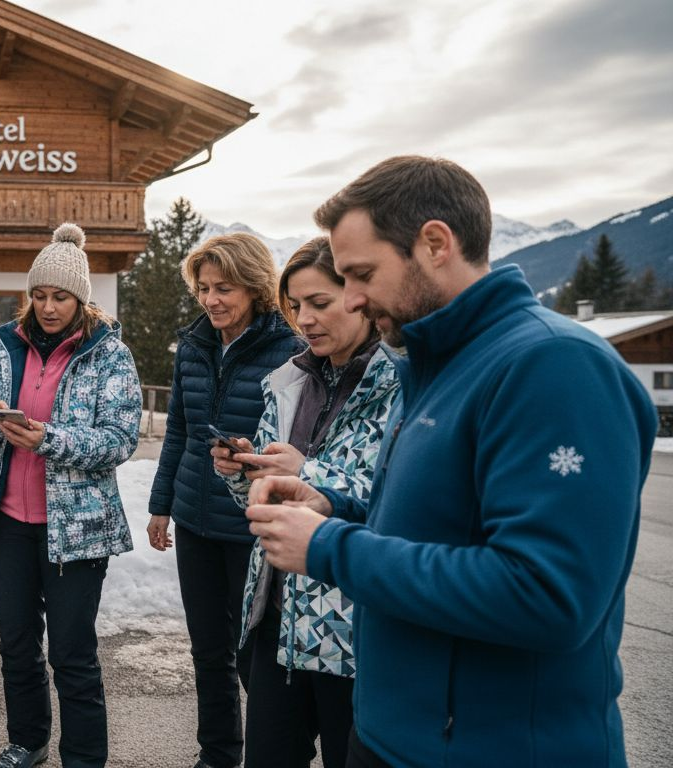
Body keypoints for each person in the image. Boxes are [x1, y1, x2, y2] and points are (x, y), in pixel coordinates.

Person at [244, 156, 658, 768]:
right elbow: (443, 522)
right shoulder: (431, 367)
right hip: (393, 736)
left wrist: (331, 546)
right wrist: (338, 505)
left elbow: (549, 595)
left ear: (435, 244)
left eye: (362, 274)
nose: (353, 300)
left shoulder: (555, 367)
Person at [214, 237, 399, 768]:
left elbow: (399, 499)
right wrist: (246, 471)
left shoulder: (401, 387)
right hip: (277, 619)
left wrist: (305, 471)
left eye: (320, 302)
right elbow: (270, 495)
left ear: (360, 296)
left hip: (353, 631)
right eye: (295, 306)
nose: (305, 319)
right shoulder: (288, 381)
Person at [0, 223, 141, 768]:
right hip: (11, 523)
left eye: (59, 296)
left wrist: (50, 439)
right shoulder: (6, 347)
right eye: (38, 295)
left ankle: (84, 758)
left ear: (81, 299)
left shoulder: (109, 355)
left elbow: (120, 439)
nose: (46, 306)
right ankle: (28, 739)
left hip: (78, 530)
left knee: (72, 655)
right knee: (16, 645)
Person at [146, 233, 303, 768]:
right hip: (195, 518)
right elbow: (178, 433)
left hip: (253, 524)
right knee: (207, 650)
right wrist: (162, 503)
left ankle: (272, 753)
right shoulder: (194, 344)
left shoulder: (291, 347)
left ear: (256, 288)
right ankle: (216, 755)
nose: (212, 299)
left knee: (251, 658)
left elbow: (300, 439)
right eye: (204, 288)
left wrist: (254, 458)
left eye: (225, 288)